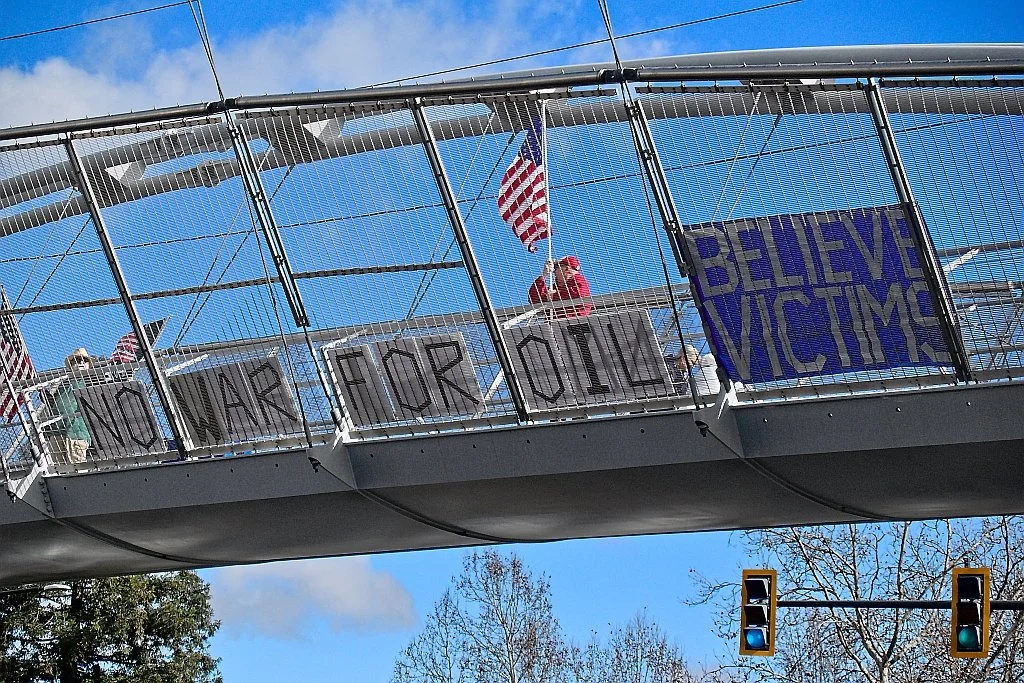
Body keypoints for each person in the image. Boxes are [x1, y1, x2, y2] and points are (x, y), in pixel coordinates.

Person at [50, 347, 93, 464]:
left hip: (77, 430)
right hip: (57, 430)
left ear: (89, 365)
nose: (81, 363)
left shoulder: (91, 381)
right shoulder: (62, 383)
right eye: (77, 361)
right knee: (55, 468)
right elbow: (54, 403)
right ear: (71, 365)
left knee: (76, 466)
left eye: (84, 361)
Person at [527, 255, 592, 318]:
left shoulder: (579, 280)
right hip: (555, 324)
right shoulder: (555, 287)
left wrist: (554, 295)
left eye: (555, 267)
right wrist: (544, 275)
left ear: (566, 269)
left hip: (575, 322)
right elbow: (534, 299)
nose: (553, 272)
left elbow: (579, 294)